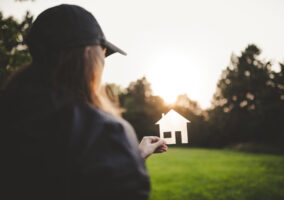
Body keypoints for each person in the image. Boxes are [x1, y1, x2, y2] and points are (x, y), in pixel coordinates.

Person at [0, 4, 167, 200]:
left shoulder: (10, 117)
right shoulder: (106, 132)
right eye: (103, 52)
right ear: (90, 56)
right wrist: (122, 154)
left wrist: (133, 156)